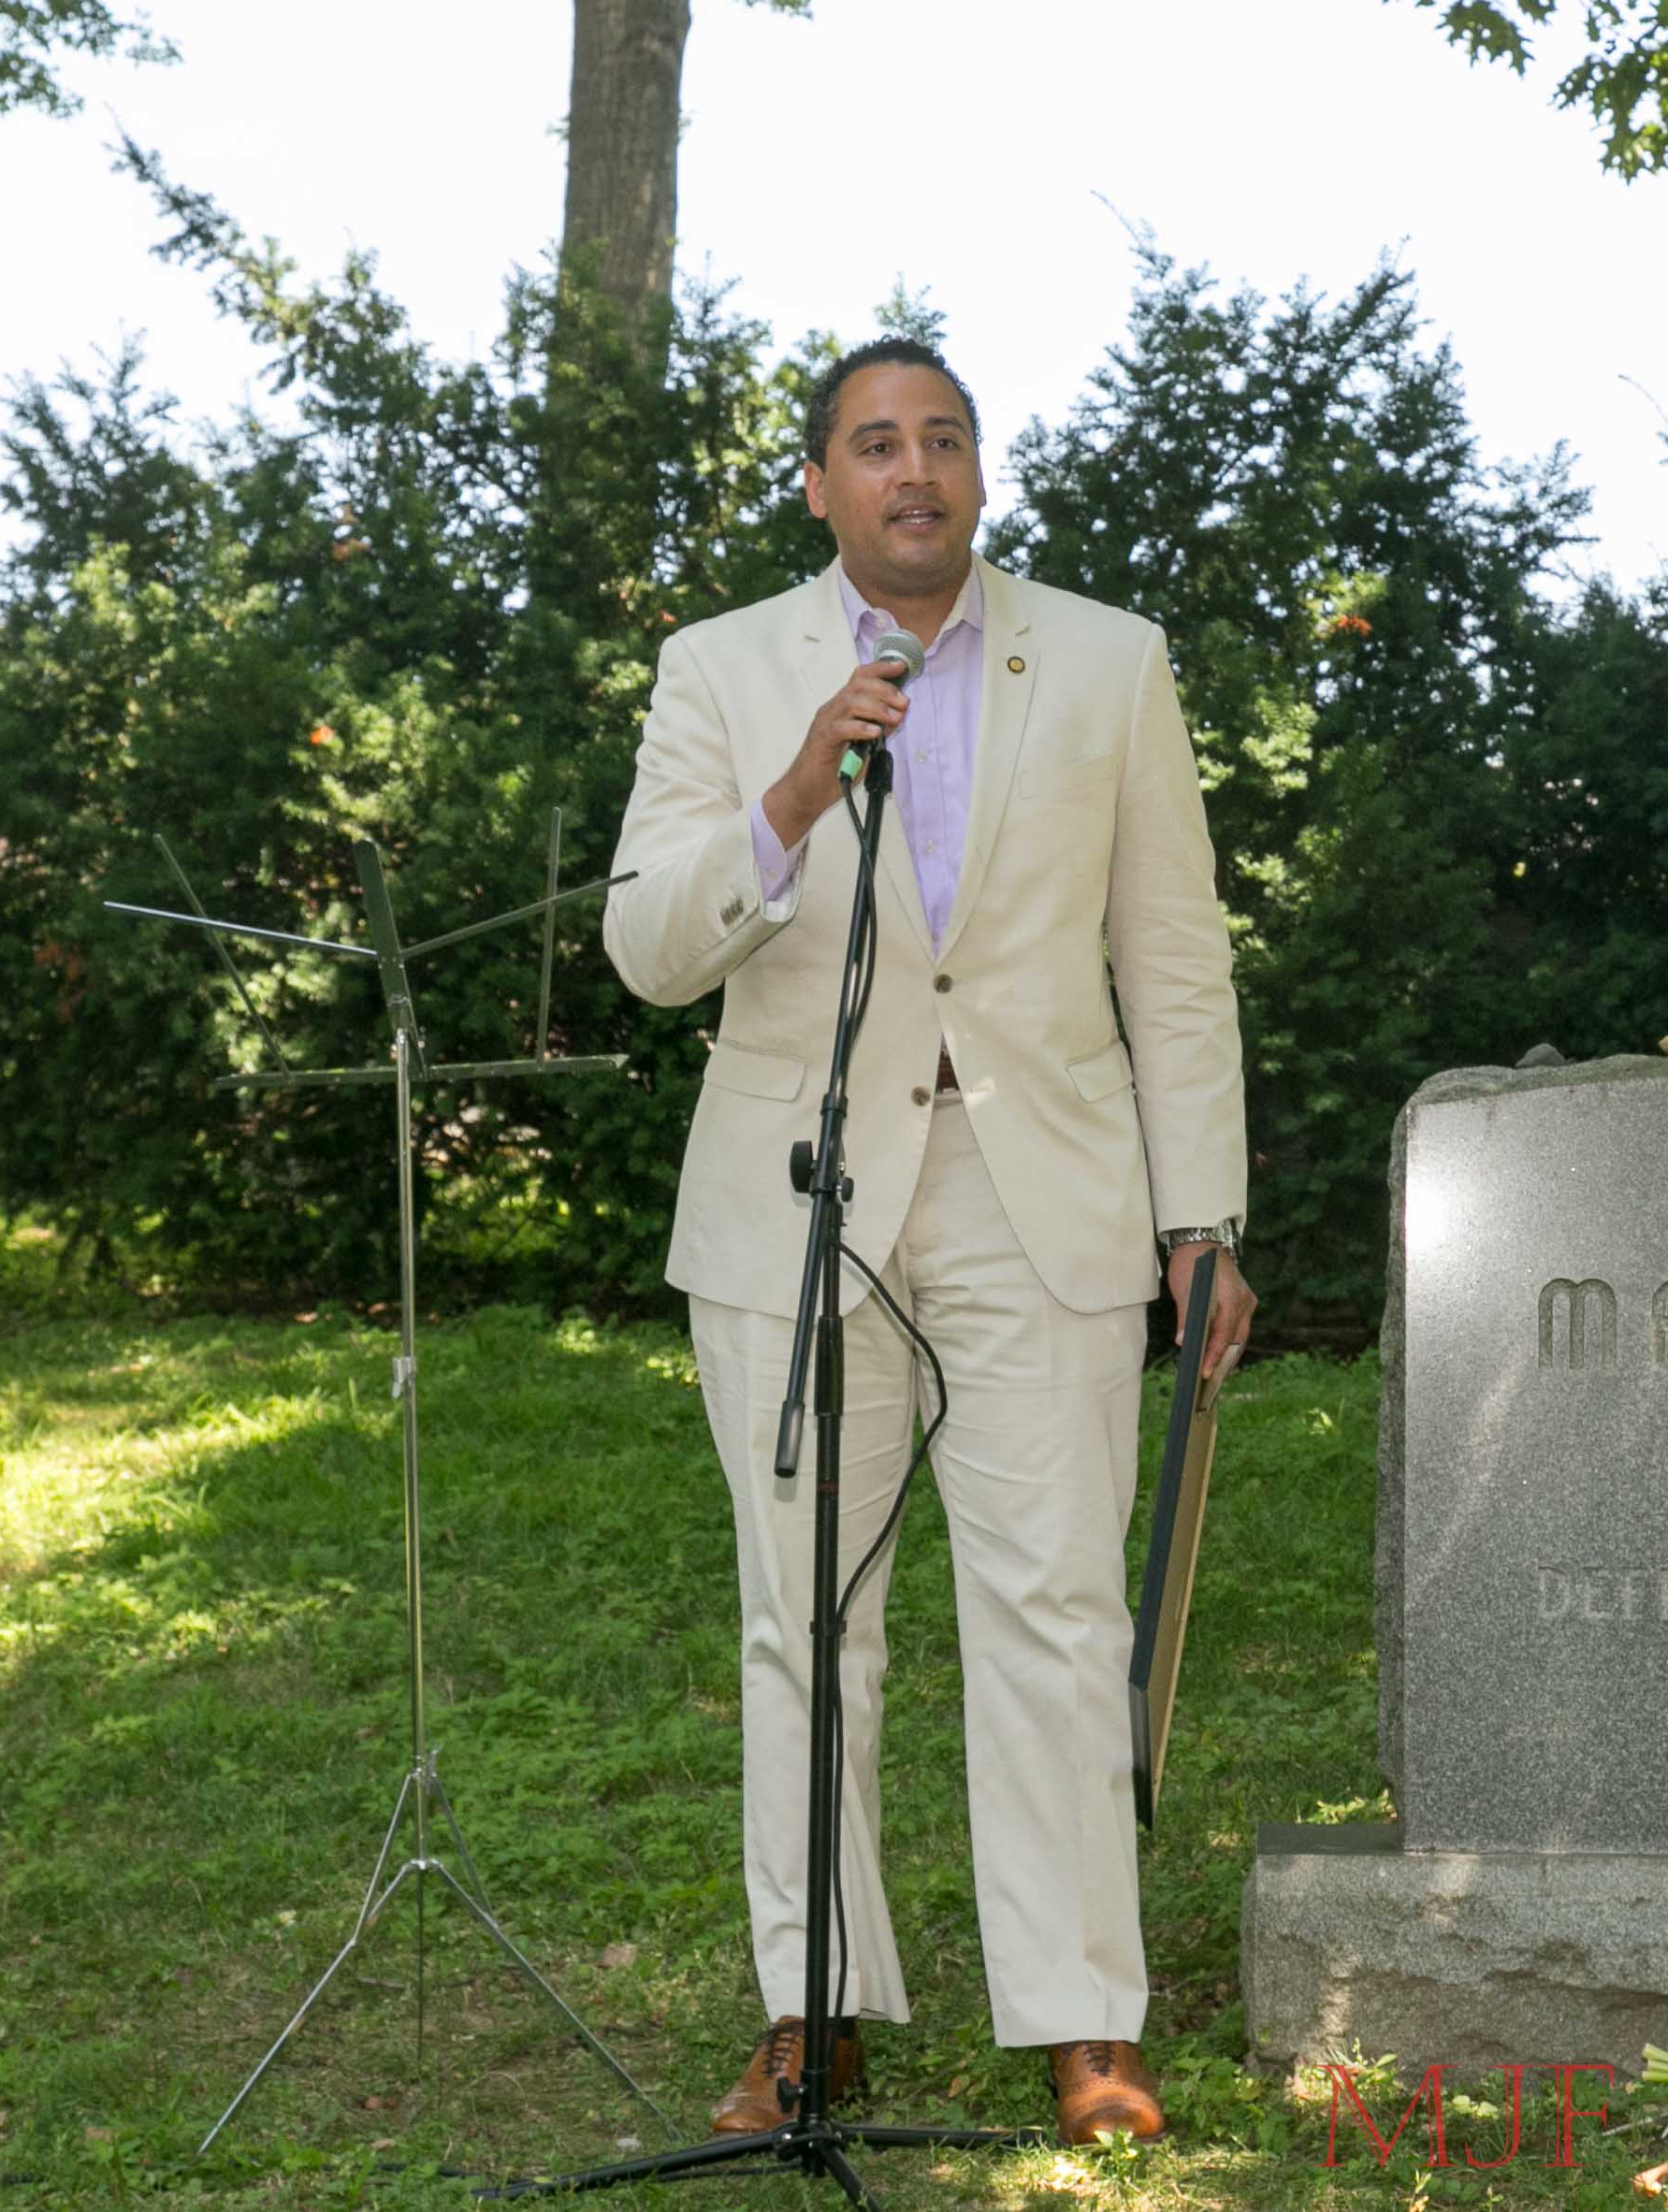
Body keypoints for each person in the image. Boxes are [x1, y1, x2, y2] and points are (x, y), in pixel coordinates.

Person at [601, 334, 1255, 2146]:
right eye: (877, 444)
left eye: (944, 438)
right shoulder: (723, 668)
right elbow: (648, 949)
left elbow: (1174, 957)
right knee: (805, 1625)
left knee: (1055, 1609)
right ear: (820, 484)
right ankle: (814, 2013)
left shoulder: (1108, 660)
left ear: (979, 471)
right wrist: (792, 793)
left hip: (1043, 1193)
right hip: (799, 1203)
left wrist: (1199, 1216)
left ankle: (1082, 2016)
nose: (916, 470)